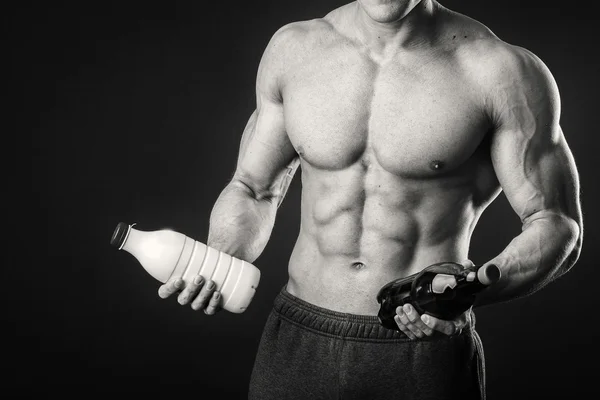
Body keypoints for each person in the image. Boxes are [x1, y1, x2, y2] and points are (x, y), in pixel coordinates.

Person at [157, 1, 583, 398]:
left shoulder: (500, 72)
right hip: (299, 340)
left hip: (422, 345)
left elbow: (556, 221)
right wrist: (217, 260)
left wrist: (473, 288)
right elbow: (253, 187)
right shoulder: (294, 50)